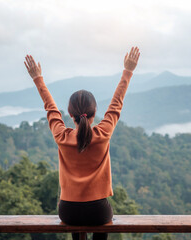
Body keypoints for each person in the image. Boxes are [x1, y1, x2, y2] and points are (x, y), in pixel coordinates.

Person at [24, 46, 140, 240]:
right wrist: (128, 71)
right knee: (101, 225)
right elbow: (116, 104)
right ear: (94, 114)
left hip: (68, 210)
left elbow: (51, 109)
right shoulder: (103, 133)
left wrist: (38, 78)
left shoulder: (62, 136)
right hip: (98, 211)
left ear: (70, 115)